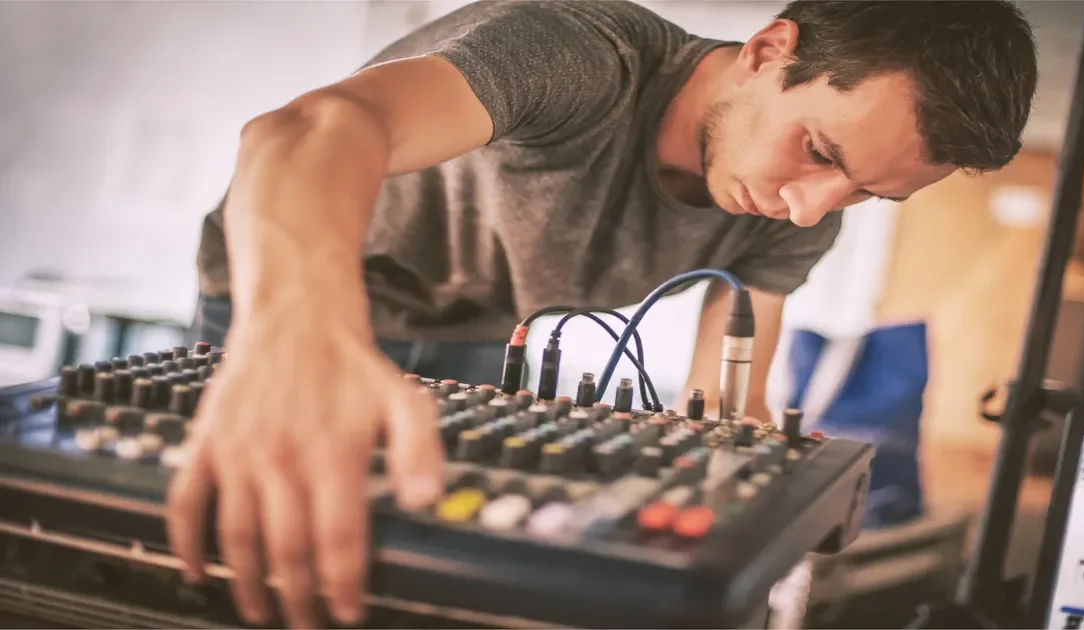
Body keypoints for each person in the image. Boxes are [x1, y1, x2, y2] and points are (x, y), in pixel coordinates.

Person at [168, 0, 1038, 627]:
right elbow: (304, 130)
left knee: (413, 572)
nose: (810, 208)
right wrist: (300, 336)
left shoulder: (800, 212)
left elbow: (724, 401)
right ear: (769, 50)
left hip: (472, 330)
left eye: (866, 193)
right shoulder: (580, 55)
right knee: (232, 561)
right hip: (299, 292)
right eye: (817, 150)